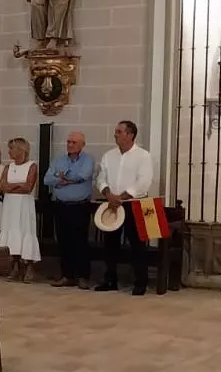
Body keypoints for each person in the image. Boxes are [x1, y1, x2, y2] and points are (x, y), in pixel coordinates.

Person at [95, 119, 155, 295]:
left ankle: (140, 281)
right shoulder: (109, 156)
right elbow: (101, 178)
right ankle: (110, 279)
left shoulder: (143, 156)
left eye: (119, 131)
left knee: (137, 244)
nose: (115, 134)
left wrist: (121, 197)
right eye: (116, 131)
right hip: (112, 204)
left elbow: (143, 182)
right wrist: (108, 194)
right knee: (110, 244)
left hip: (133, 204)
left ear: (130, 135)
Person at [44, 131, 96, 287]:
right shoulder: (59, 160)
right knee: (63, 241)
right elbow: (47, 179)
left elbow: (82, 176)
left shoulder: (88, 160)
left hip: (80, 207)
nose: (70, 145)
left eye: (73, 142)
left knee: (80, 242)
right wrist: (65, 179)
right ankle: (67, 275)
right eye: (68, 142)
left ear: (82, 144)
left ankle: (83, 276)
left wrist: (61, 178)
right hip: (61, 206)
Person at [0, 137, 42, 280]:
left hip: (24, 205)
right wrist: (16, 186)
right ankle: (14, 266)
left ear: (21, 150)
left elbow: (28, 187)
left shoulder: (32, 166)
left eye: (12, 148)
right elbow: (2, 186)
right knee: (11, 231)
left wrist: (11, 187)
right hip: (10, 205)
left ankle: (29, 267)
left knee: (25, 230)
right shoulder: (8, 167)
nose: (9, 152)